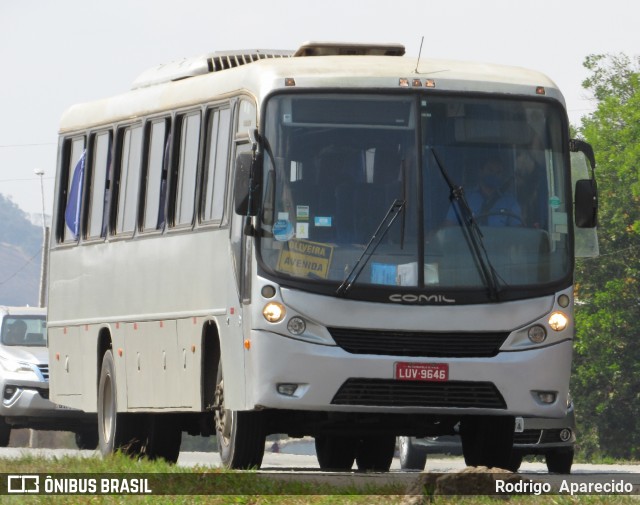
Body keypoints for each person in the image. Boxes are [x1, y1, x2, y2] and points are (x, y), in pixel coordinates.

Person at [445, 159, 521, 227]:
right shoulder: (463, 198)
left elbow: (518, 232)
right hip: (470, 242)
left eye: (498, 172)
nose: (494, 175)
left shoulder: (510, 202)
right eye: (490, 170)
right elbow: (449, 226)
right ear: (480, 171)